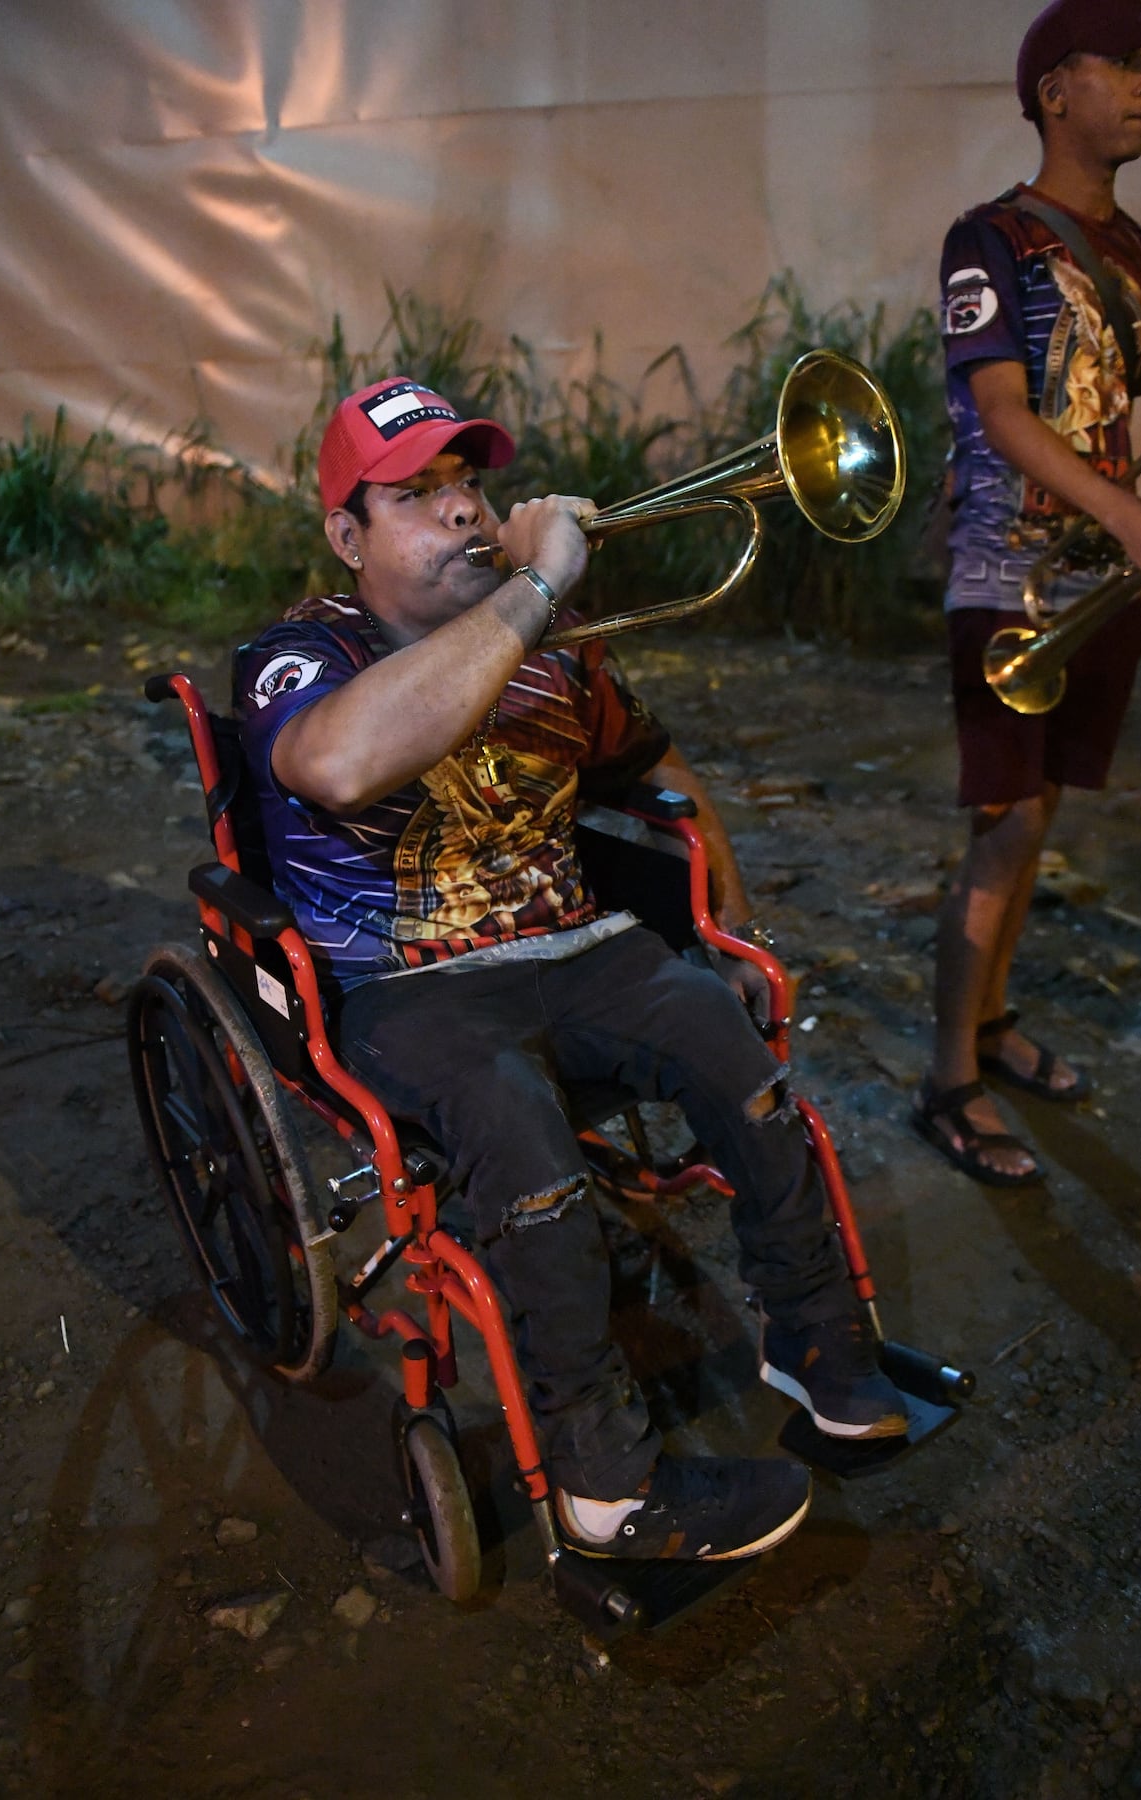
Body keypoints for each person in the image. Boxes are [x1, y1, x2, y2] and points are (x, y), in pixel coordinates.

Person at [235, 374, 907, 1563]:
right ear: (346, 536)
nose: (461, 513)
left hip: (580, 946)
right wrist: (539, 586)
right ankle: (605, 1486)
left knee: (736, 1061)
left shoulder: (555, 657)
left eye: (471, 485)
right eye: (417, 495)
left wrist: (734, 930)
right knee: (522, 1139)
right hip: (406, 991)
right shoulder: (299, 653)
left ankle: (810, 1343)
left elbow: (669, 778)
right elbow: (337, 768)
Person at [915, 0, 1141, 1187]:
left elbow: (1115, 417)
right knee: (1003, 821)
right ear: (1051, 91)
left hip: (1098, 580)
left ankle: (993, 1018)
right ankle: (946, 1083)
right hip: (1007, 572)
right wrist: (1129, 513)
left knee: (1046, 812)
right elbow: (1009, 414)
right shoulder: (993, 240)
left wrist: (1134, 522)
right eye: (1119, 62)